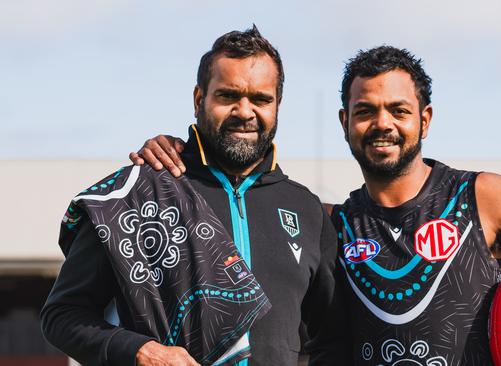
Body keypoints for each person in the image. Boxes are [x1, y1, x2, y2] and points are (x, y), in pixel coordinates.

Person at [131, 46, 501, 366]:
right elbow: (247, 200)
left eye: (398, 110)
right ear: (345, 122)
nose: (381, 123)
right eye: (365, 111)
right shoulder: (327, 223)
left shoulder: (483, 196)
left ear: (424, 120)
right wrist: (183, 151)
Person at [41, 26, 350, 366]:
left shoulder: (306, 209)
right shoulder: (140, 193)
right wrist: (140, 352)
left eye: (261, 99)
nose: (244, 112)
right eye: (228, 96)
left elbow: (331, 338)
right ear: (199, 99)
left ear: (277, 105)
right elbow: (62, 315)